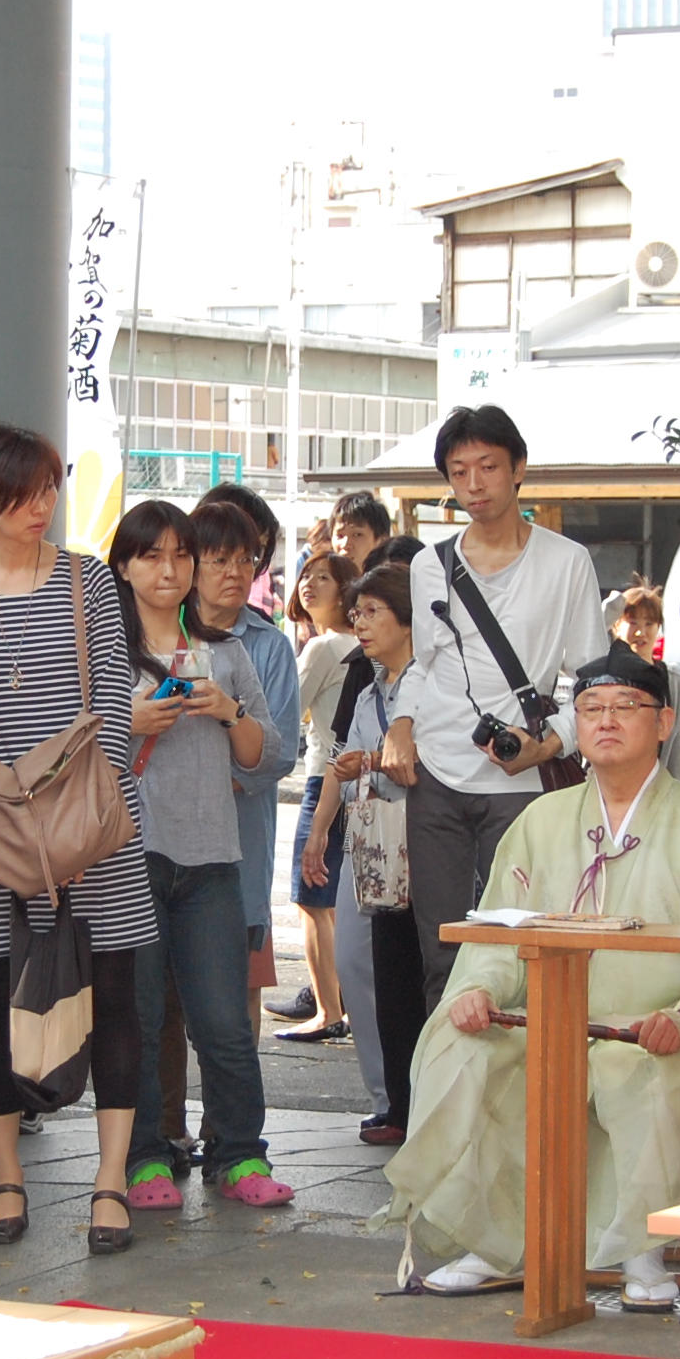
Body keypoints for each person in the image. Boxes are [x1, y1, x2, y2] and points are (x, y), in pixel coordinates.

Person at [384, 645, 680, 1302]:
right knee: (471, 1049)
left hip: (650, 1026)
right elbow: (500, 932)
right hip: (546, 1017)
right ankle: (498, 1239)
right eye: (591, 708)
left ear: (663, 723)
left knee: (642, 1070)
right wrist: (480, 989)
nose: (606, 721)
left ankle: (644, 1249)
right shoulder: (541, 819)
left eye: (627, 706)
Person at [0, 427, 155, 1251]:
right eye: (24, 493)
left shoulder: (88, 582)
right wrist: (11, 813)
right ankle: (6, 1177)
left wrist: (61, 819)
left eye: (51, 488)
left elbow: (112, 712)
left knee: (117, 1002)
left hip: (94, 830)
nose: (42, 506)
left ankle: (109, 1181)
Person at [381, 407, 608, 1004]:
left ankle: (523, 1092)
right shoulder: (432, 563)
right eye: (459, 471)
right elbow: (424, 666)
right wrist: (401, 725)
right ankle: (446, 1090)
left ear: (518, 470)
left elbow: (592, 680)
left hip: (522, 782)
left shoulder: (566, 562)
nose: (474, 484)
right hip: (437, 777)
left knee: (522, 950)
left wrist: (551, 740)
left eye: (487, 466)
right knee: (442, 951)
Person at [117, 499, 290, 1211]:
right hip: (129, 860)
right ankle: (142, 1157)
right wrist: (132, 720)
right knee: (139, 1016)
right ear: (122, 567)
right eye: (151, 556)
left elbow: (267, 759)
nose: (170, 569)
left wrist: (229, 712)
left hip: (213, 860)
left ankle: (240, 1153)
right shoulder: (103, 650)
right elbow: (77, 754)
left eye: (180, 555)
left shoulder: (226, 652)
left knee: (223, 1020)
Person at [305, 561, 425, 1147]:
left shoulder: (433, 683)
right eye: (356, 613)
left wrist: (372, 762)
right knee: (354, 960)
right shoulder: (369, 683)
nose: (360, 623)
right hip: (367, 833)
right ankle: (386, 1097)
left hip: (421, 837)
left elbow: (430, 763)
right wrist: (317, 833)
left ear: (408, 617)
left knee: (416, 970)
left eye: (373, 611)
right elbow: (339, 760)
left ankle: (416, 1098)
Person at [201, 483, 302, 1046]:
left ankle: (229, 1129)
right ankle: (162, 1130)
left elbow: (277, 753)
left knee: (238, 993)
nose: (237, 569)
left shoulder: (267, 645)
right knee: (158, 998)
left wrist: (203, 777)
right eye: (222, 553)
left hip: (239, 850)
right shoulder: (149, 632)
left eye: (250, 555)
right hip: (158, 848)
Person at [271, 550, 362, 1040]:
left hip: (322, 778)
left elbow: (288, 709)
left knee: (311, 900)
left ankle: (327, 1010)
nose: (308, 583)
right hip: (350, 779)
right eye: (306, 574)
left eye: (323, 577)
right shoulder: (357, 645)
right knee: (330, 902)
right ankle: (337, 1006)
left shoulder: (324, 648)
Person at [613, 583, 680, 781]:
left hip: (656, 787)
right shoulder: (605, 675)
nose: (641, 632)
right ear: (616, 626)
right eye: (632, 623)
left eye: (649, 624)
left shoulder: (674, 680)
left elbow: (679, 746)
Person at [331, 490, 392, 573]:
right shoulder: (322, 584)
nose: (345, 545)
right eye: (340, 536)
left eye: (357, 534)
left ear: (381, 540)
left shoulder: (392, 583)